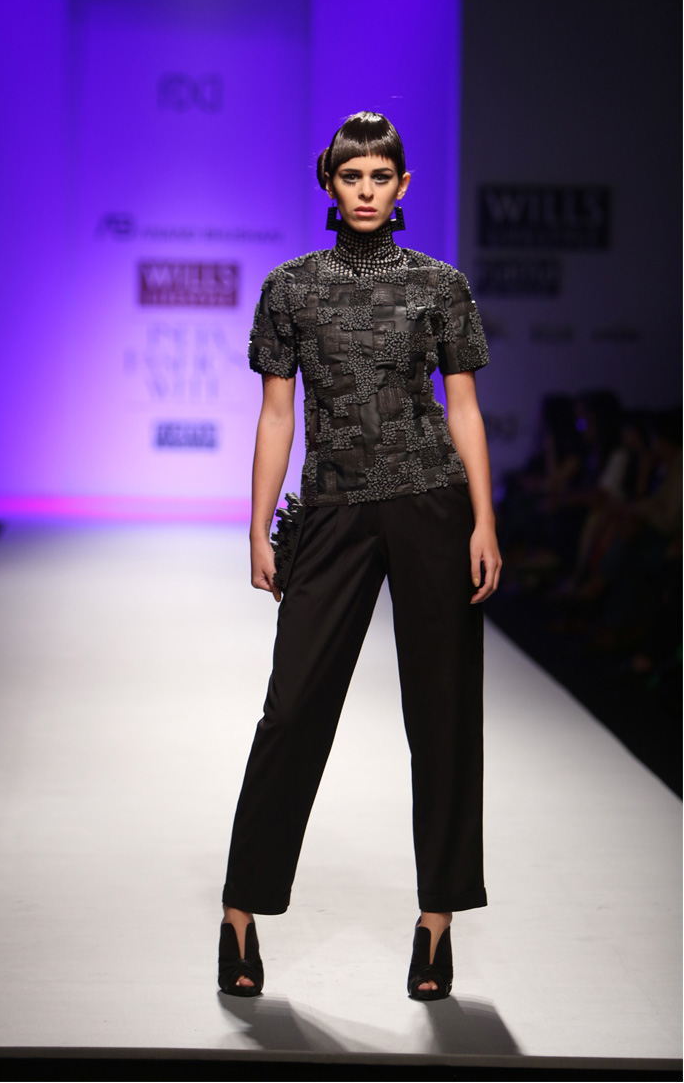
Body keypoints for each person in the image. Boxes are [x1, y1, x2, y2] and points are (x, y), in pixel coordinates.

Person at [218, 112, 501, 1001]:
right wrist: (258, 526)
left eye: (382, 176)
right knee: (294, 708)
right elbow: (277, 414)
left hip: (430, 504)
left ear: (403, 185)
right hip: (334, 506)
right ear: (330, 183)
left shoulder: (441, 285)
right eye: (353, 177)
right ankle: (239, 913)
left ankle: (436, 924)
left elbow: (462, 408)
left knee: (443, 712)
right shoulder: (291, 288)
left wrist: (484, 520)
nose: (368, 190)